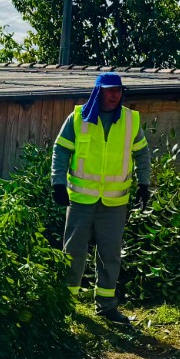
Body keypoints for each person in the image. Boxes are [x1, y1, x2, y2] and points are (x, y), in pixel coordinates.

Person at [51, 73, 151, 324]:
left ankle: (106, 306)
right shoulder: (77, 118)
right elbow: (61, 150)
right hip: (81, 200)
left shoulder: (130, 120)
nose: (115, 95)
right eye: (109, 90)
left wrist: (144, 184)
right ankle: (67, 304)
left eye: (118, 90)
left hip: (115, 202)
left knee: (111, 255)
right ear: (98, 92)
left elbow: (142, 154)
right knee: (72, 252)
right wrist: (58, 183)